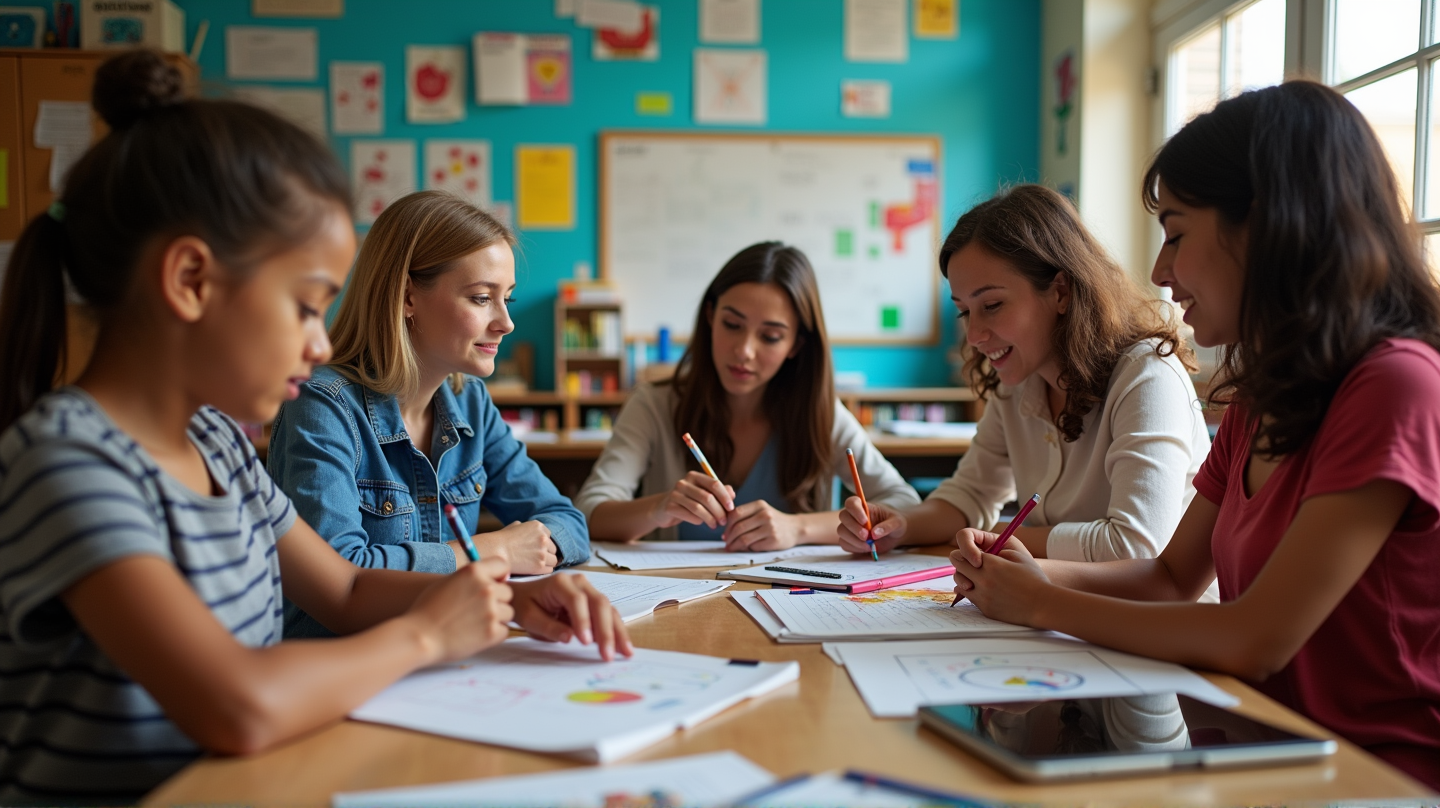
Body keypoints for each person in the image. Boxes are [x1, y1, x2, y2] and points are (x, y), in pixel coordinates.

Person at [0, 51, 628, 802]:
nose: (319, 343)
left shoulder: (218, 443)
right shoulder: (68, 460)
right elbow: (238, 705)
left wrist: (501, 600)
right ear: (191, 281)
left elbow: (347, 588)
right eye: (303, 307)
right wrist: (428, 633)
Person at [950, 82, 1440, 789]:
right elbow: (1173, 578)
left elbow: (1256, 639)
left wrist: (1042, 602)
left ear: (1268, 227)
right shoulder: (1259, 395)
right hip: (1262, 752)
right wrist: (1028, 579)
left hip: (1376, 779)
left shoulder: (1395, 385)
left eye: (1176, 234)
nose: (1159, 270)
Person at [838, 185, 1212, 587]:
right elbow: (969, 495)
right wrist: (901, 526)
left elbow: (1135, 546)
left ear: (1061, 292)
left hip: (1153, 619)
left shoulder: (1147, 374)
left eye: (992, 305)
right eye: (964, 312)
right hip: (1065, 610)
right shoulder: (1018, 380)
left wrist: (1001, 538)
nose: (974, 336)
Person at [269, 192, 590, 635]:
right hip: (343, 659)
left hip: (447, 651)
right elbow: (341, 575)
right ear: (407, 298)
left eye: (508, 299)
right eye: (482, 298)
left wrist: (528, 544)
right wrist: (493, 550)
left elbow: (568, 522)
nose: (506, 322)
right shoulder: (322, 404)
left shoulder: (471, 401)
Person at [576, 242, 919, 547]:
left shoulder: (820, 414)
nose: (744, 351)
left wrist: (799, 528)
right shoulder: (654, 404)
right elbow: (588, 512)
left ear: (796, 345)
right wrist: (658, 507)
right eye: (732, 325)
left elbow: (904, 505)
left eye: (770, 337)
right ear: (710, 317)